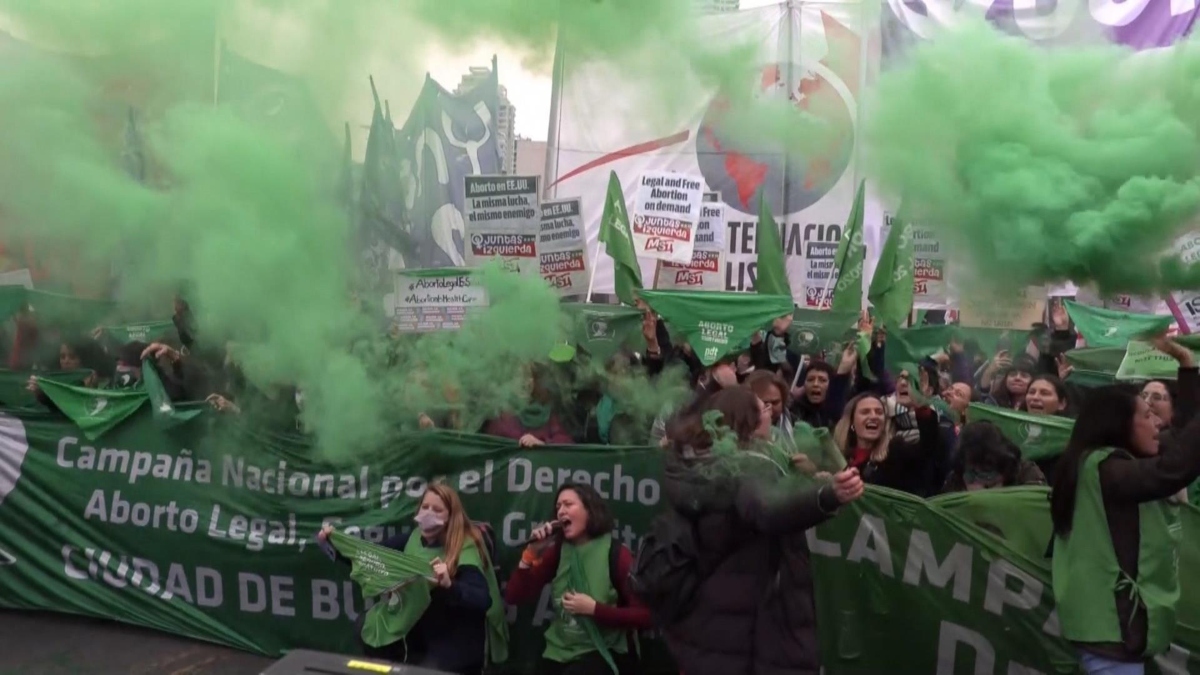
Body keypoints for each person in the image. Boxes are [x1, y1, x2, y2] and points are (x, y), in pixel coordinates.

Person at [660, 386, 864, 675]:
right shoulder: (747, 466)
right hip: (749, 630)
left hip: (708, 624)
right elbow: (767, 510)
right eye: (762, 408)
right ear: (748, 421)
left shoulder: (700, 463)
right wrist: (826, 496)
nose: (770, 413)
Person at [1050, 387, 1200, 673]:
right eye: (1147, 415)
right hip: (1111, 633)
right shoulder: (1107, 470)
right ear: (1119, 425)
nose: (1158, 423)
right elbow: (1174, 469)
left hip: (1106, 630)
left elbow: (1180, 443)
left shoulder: (1096, 463)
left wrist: (1188, 372)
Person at [318, 483, 505, 675]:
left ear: (451, 517)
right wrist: (336, 546)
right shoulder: (412, 539)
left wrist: (450, 585)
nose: (428, 514)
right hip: (415, 629)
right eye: (425, 507)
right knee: (365, 626)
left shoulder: (465, 549)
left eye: (437, 510)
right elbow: (371, 558)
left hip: (453, 638)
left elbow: (483, 599)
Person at [504, 482, 651, 675]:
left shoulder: (617, 555)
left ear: (590, 510)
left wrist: (594, 609)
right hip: (558, 653)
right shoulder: (558, 551)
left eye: (568, 504)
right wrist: (531, 553)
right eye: (558, 507)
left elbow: (645, 615)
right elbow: (514, 596)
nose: (561, 511)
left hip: (602, 652)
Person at [941, 421, 1044, 493]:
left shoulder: (1026, 473)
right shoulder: (954, 480)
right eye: (973, 472)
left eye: (987, 468)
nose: (981, 478)